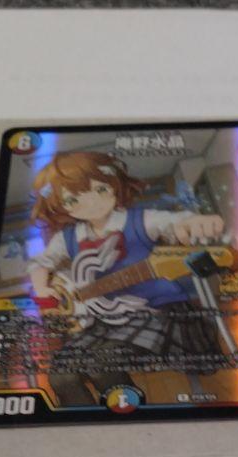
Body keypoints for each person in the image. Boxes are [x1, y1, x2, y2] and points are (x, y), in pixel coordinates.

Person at [26, 150, 226, 405]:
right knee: (61, 377)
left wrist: (194, 223)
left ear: (114, 184)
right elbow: (40, 262)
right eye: (73, 199)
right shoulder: (66, 238)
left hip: (158, 313)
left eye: (100, 189)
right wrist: (41, 287)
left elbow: (174, 221)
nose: (92, 202)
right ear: (60, 206)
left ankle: (131, 416)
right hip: (105, 321)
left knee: (101, 364)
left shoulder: (142, 220)